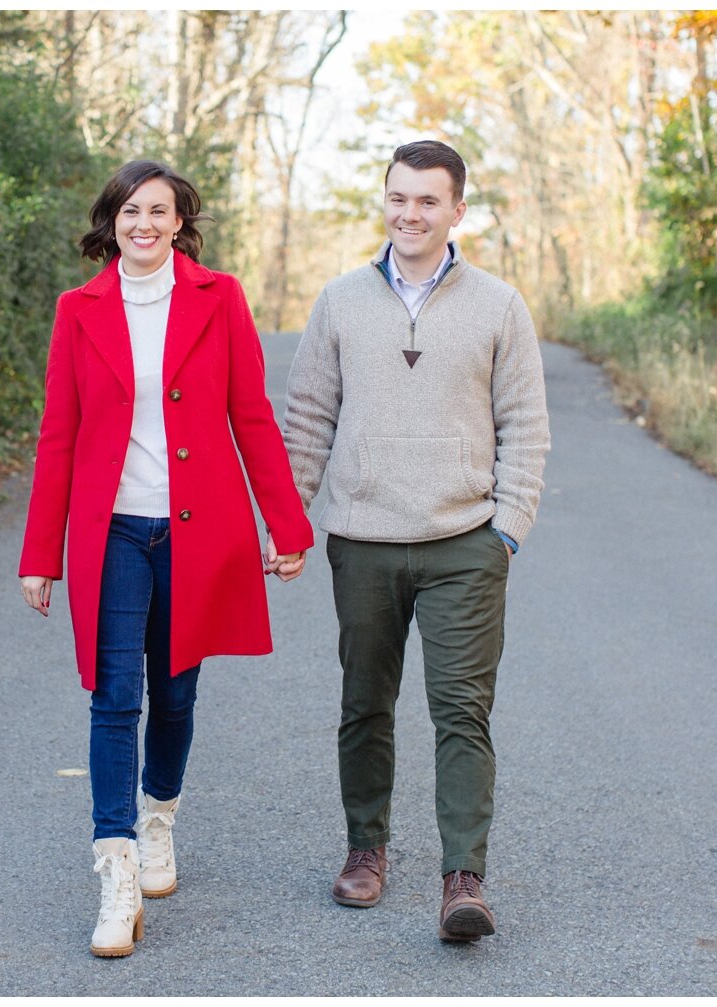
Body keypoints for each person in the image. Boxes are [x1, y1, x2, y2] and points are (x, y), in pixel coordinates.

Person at [18, 160, 311, 958]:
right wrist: (40, 551)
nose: (143, 224)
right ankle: (114, 872)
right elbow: (60, 433)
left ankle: (158, 820)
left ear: (181, 221)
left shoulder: (219, 299)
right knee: (115, 695)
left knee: (175, 692)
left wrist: (286, 525)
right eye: (129, 210)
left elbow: (250, 413)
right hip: (111, 530)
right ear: (111, 219)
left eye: (160, 211)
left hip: (196, 529)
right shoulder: (78, 309)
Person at [282, 140, 550, 942]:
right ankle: (366, 849)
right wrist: (292, 521)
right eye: (399, 197)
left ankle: (462, 878)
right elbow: (306, 419)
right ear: (385, 201)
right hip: (361, 539)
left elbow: (525, 427)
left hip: (464, 541)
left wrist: (507, 528)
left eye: (428, 200)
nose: (410, 213)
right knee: (364, 703)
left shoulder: (499, 305)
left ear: (457, 210)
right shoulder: (338, 301)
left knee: (462, 710)